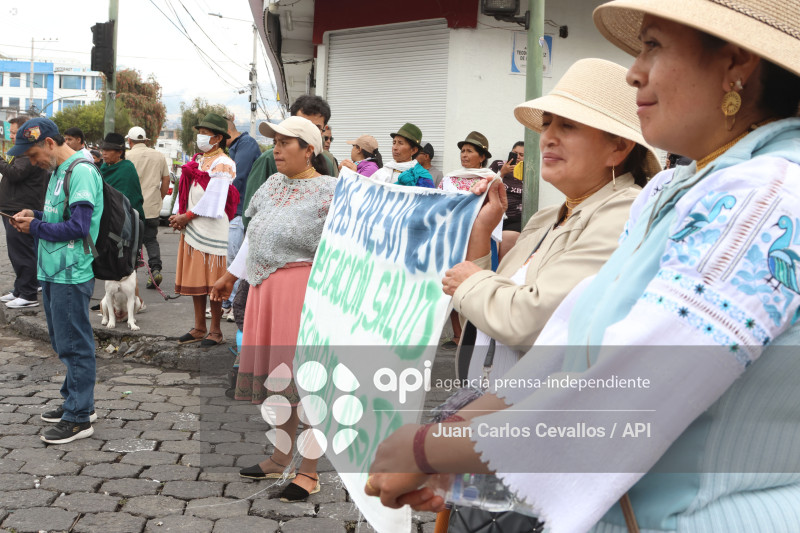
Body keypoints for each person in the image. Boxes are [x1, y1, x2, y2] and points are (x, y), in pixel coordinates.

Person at [366, 2, 800, 532]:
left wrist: (435, 446)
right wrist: (452, 445)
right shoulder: (672, 190)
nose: (635, 71)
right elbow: (566, 352)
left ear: (736, 65)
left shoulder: (766, 199)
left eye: (654, 45)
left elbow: (629, 391)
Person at [210, 116, 336, 502]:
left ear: (309, 149)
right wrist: (232, 276)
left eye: (286, 142)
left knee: (307, 382)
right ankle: (281, 458)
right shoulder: (270, 185)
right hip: (264, 290)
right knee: (279, 381)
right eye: (275, 141)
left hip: (302, 292)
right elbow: (254, 235)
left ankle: (310, 472)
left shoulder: (332, 191)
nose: (276, 149)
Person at [8, 118, 103, 444]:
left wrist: (34, 228)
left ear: (50, 144)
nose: (32, 162)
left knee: (74, 344)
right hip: (52, 270)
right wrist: (36, 217)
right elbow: (59, 218)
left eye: (33, 155)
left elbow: (78, 227)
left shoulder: (81, 172)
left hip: (70, 272)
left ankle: (79, 416)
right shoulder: (60, 172)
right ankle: (76, 402)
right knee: (64, 340)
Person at [169, 113, 237, 347]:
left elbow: (214, 200)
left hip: (211, 227)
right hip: (192, 226)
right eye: (200, 133)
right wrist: (179, 214)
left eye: (205, 134)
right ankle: (199, 327)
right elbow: (187, 190)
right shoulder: (198, 160)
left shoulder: (224, 164)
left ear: (218, 138)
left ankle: (216, 331)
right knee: (198, 280)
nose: (200, 137)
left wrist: (185, 217)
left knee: (214, 281)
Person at [242, 95, 336, 229]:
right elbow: (250, 216)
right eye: (300, 125)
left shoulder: (328, 164)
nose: (307, 131)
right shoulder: (269, 160)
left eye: (315, 127)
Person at [0, 116, 49, 309]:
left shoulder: (28, 153)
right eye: (10, 132)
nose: (12, 136)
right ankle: (21, 288)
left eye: (14, 132)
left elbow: (15, 173)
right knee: (16, 252)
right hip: (14, 206)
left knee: (22, 253)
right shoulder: (21, 152)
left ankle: (28, 293)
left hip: (20, 208)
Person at [126, 126, 170, 289]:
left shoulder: (126, 156)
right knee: (151, 240)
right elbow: (166, 180)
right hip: (151, 207)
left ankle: (131, 277)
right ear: (145, 141)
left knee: (131, 243)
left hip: (131, 208)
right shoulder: (158, 156)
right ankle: (155, 269)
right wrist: (159, 198)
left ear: (130, 141)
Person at [371, 123, 434, 188]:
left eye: (400, 143)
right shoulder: (382, 173)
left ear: (413, 150)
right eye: (394, 143)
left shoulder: (422, 177)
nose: (395, 148)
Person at [490, 141, 525, 231]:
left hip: (516, 219)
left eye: (521, 155)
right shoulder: (498, 164)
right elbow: (486, 186)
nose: (517, 157)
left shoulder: (527, 172)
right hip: (494, 214)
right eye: (515, 153)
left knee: (508, 238)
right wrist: (502, 173)